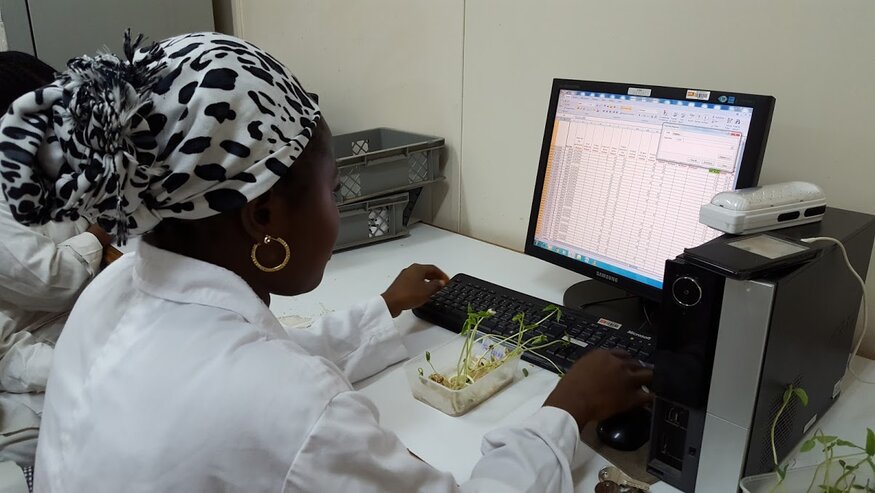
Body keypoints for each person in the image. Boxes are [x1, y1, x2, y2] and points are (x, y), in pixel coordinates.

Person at [0, 33, 651, 492]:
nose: (337, 209)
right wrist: (565, 408)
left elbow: (266, 354)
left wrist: (383, 308)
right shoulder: (289, 408)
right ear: (262, 217)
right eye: (332, 188)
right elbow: (278, 398)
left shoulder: (116, 289)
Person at [0, 51, 115, 480]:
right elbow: (49, 279)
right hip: (27, 368)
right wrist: (100, 235)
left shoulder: (41, 169)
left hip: (73, 332)